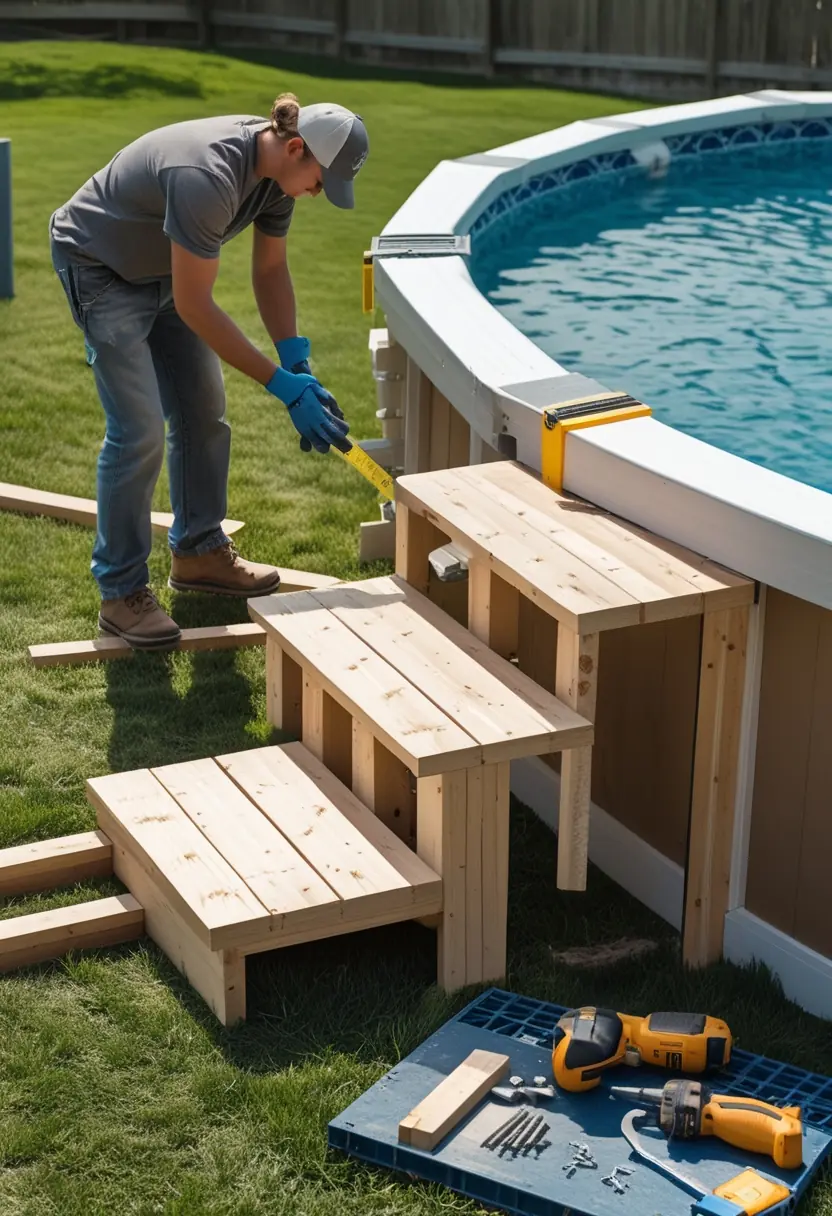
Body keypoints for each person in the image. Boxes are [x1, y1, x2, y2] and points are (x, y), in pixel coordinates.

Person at [49, 94, 368, 650]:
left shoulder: (277, 181)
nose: (318, 193)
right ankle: (121, 594)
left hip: (164, 270)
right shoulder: (207, 174)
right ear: (296, 147)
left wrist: (298, 362)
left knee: (204, 412)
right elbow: (197, 305)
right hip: (100, 265)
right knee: (139, 430)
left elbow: (270, 271)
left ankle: (198, 553)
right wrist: (279, 385)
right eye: (320, 181)